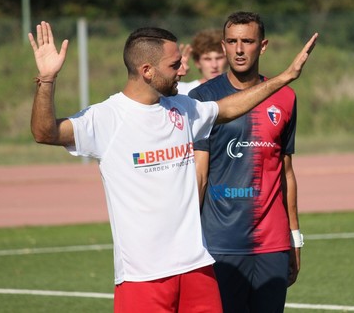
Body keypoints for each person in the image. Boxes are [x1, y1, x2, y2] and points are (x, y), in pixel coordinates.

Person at [28, 21, 317, 312]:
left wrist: (285, 78)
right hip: (143, 277)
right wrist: (47, 81)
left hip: (197, 269)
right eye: (174, 64)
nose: (183, 70)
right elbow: (45, 132)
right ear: (147, 71)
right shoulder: (106, 118)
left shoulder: (182, 107)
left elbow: (228, 108)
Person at [188, 11, 302, 313]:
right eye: (232, 41)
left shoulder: (286, 97)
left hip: (273, 245)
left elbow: (287, 173)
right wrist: (187, 238)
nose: (239, 49)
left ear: (262, 46)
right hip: (220, 245)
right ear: (224, 46)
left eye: (247, 41)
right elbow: (199, 175)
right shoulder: (203, 98)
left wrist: (295, 238)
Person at [177, 28, 227, 95]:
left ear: (228, 60)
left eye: (219, 58)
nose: (214, 65)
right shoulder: (182, 90)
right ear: (197, 62)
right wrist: (176, 73)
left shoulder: (240, 91)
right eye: (207, 59)